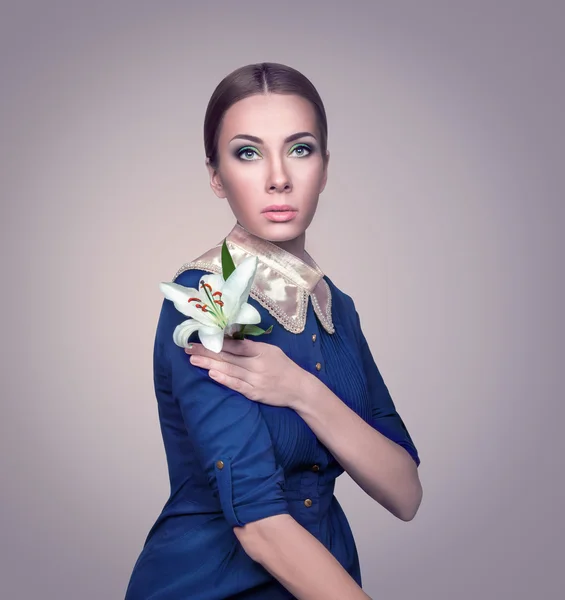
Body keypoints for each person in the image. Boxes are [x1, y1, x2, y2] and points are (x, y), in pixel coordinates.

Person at [124, 62, 422, 600]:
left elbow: (404, 492)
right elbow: (260, 526)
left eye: (300, 149)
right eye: (248, 152)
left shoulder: (337, 308)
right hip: (209, 585)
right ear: (216, 175)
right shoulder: (203, 303)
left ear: (325, 168)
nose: (278, 176)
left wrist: (302, 391)